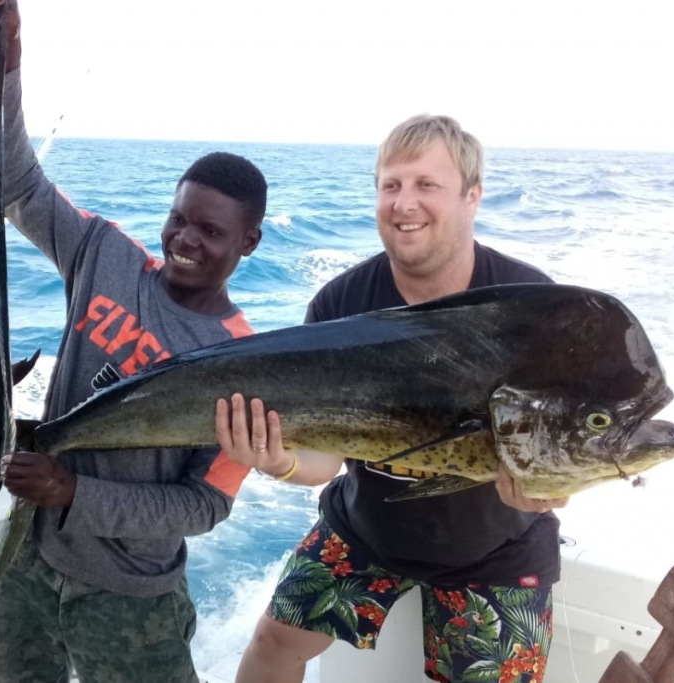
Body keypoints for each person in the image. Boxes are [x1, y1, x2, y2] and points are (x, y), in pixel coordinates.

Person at [0, 1, 266, 681]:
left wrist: (74, 491)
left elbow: (202, 504)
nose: (184, 238)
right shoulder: (106, 255)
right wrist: (4, 53)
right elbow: (16, 186)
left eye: (210, 231)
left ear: (249, 241)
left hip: (130, 603)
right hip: (24, 561)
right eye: (178, 218)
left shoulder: (244, 363)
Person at [216, 114, 569, 683]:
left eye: (427, 185)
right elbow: (326, 460)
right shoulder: (340, 305)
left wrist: (548, 492)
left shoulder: (529, 308)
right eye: (391, 185)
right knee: (272, 643)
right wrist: (279, 461)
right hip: (368, 529)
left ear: (472, 196)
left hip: (497, 550)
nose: (404, 203)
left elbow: (573, 442)